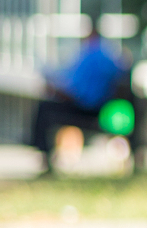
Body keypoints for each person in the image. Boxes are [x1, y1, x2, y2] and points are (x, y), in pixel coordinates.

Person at [30, 26, 128, 175]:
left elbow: (76, 92)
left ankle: (43, 155)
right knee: (47, 107)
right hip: (100, 107)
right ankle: (43, 154)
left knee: (44, 108)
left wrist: (55, 90)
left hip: (87, 109)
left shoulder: (90, 56)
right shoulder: (109, 55)